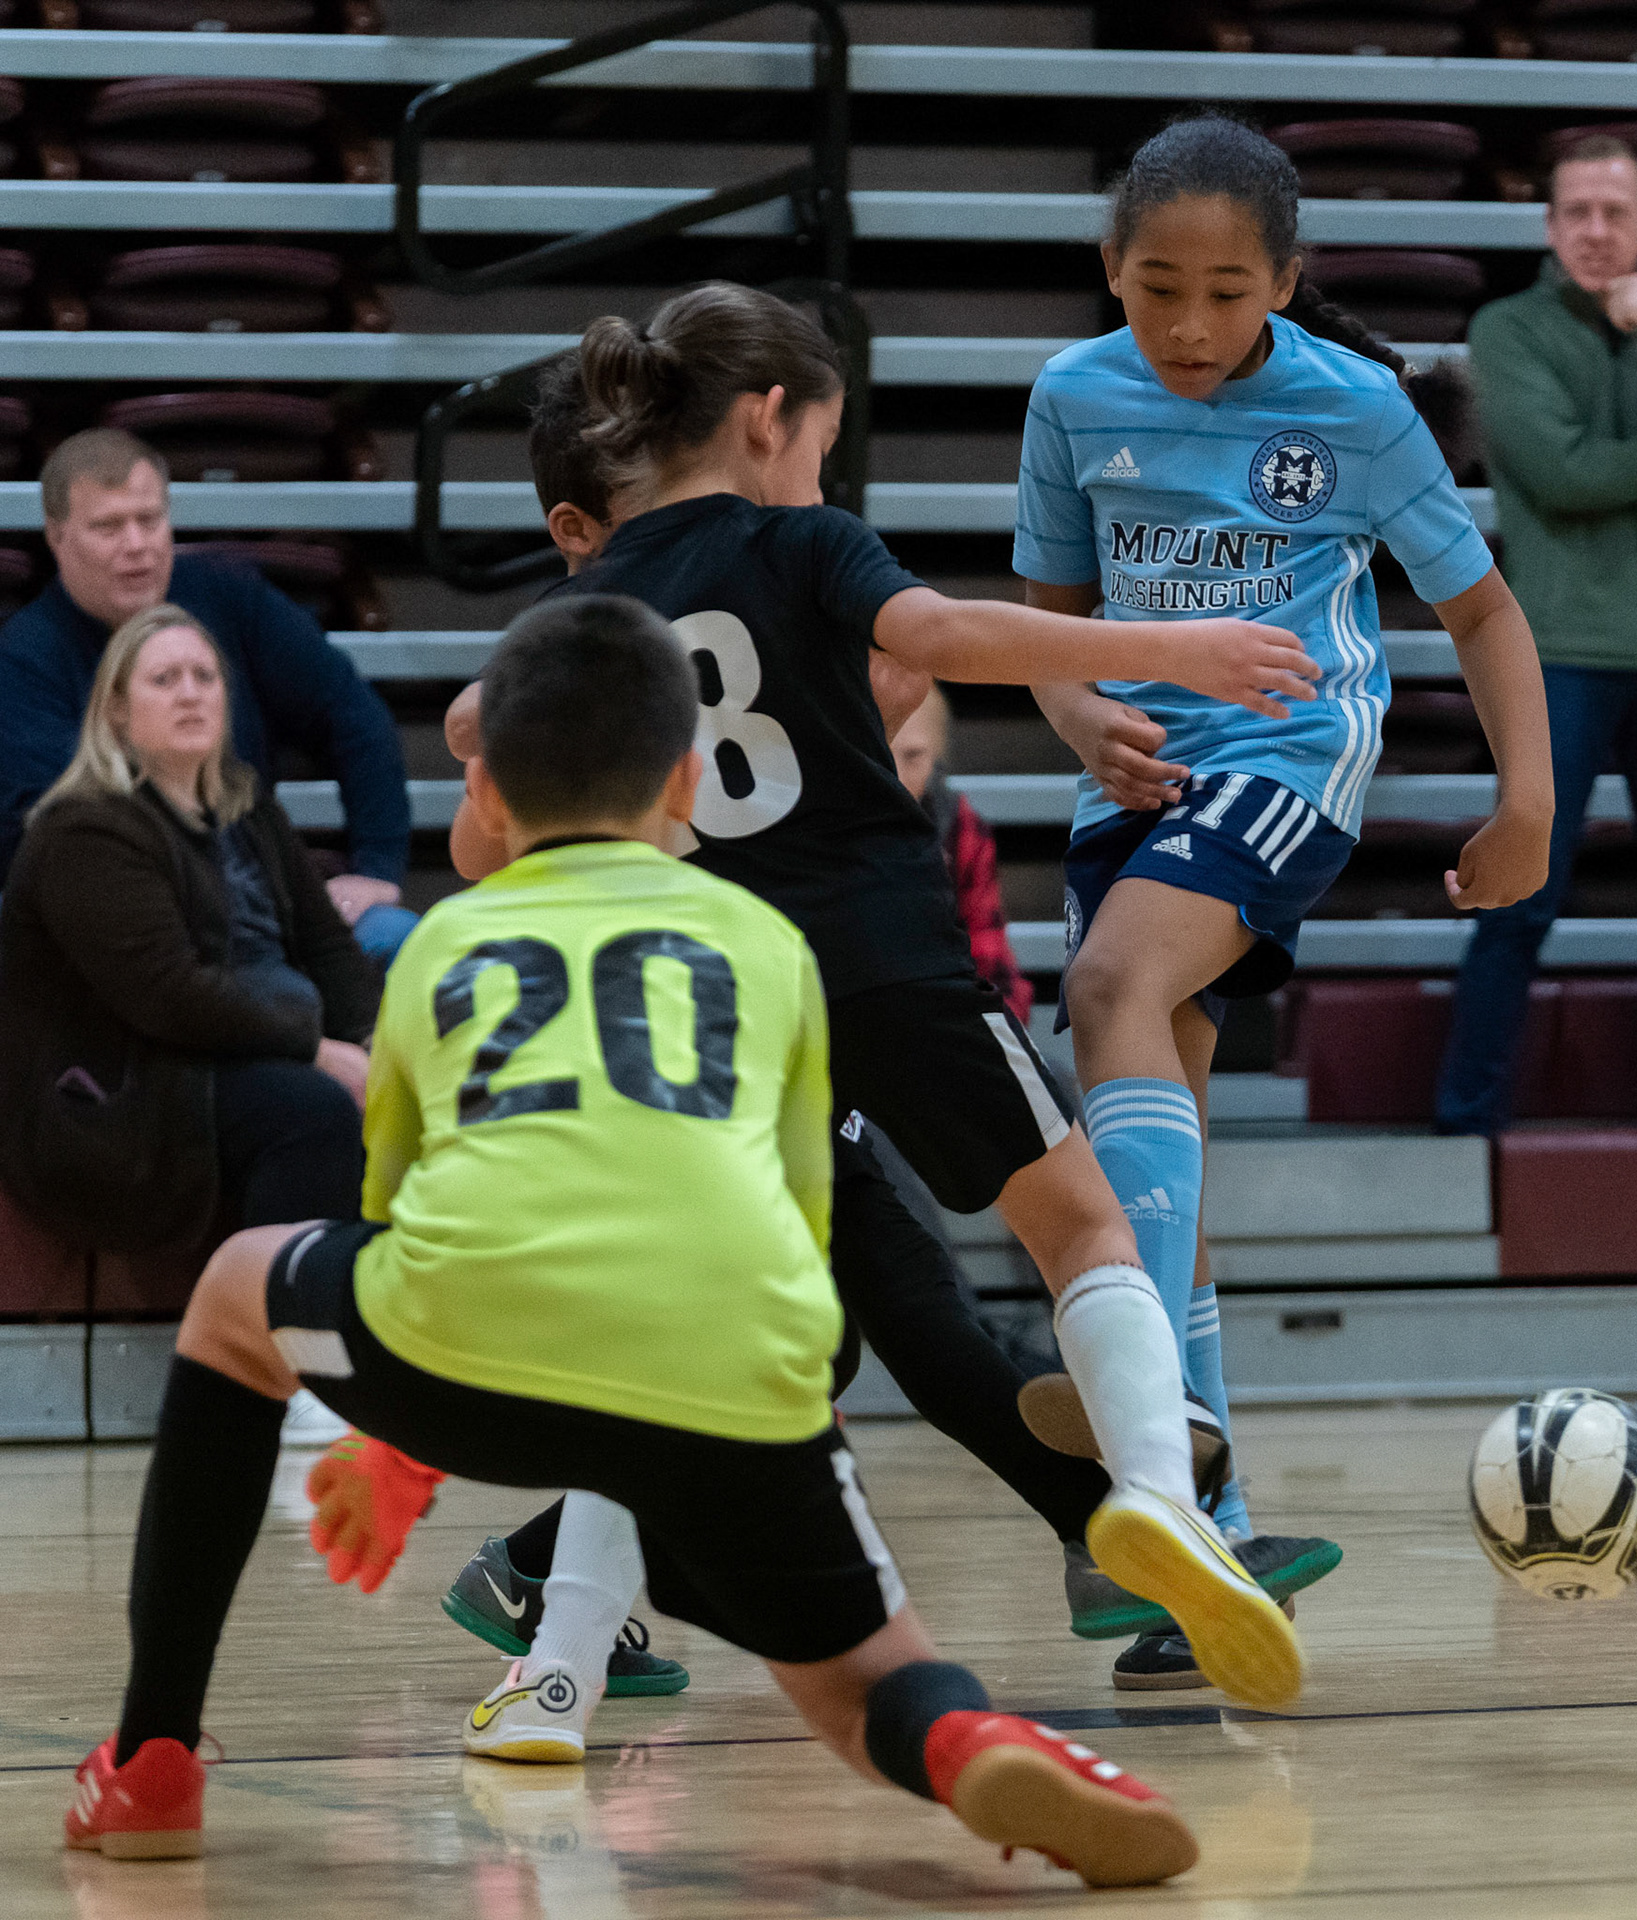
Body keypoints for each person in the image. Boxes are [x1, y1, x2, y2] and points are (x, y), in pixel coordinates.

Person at [63, 597, 1204, 1889]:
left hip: (465, 1355)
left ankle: (152, 1757)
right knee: (853, 1686)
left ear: (481, 790)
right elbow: (795, 1220)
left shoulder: (443, 943)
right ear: (683, 782)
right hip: (733, 1372)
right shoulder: (768, 947)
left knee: (233, 1290)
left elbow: (400, 1217)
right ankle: (956, 1729)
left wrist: (390, 1440)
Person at [433, 315, 1338, 1749]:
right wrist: (1175, 645)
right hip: (880, 959)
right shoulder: (803, 545)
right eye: (822, 446)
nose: (818, 475)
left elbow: (477, 747)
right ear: (767, 419)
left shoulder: (597, 605)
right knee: (1081, 1228)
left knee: (666, 1354)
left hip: (719, 1005)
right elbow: (950, 637)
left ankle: (553, 1676)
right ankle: (1165, 1510)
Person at [1014, 115, 1555, 1684]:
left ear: (1288, 286)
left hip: (1288, 757)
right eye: (1157, 287)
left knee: (1108, 994)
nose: (1187, 326)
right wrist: (1078, 720)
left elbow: (1485, 605)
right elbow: (1049, 619)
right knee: (1156, 1157)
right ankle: (1209, 1541)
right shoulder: (1070, 396)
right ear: (1108, 269)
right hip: (1129, 781)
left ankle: (1153, 1450)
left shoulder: (1357, 409)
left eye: (1228, 293)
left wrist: (1523, 803)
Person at [1434, 134, 1637, 1134]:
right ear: (1548, 224)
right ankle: (1467, 1123)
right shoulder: (1506, 330)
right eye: (1577, 210)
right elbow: (1565, 477)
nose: (1596, 230)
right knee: (1521, 901)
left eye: (1617, 213)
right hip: (1562, 655)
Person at [0, 605, 379, 1260]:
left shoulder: (249, 809)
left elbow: (328, 948)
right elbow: (168, 994)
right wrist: (315, 1051)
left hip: (238, 1055)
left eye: (206, 677)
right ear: (116, 711)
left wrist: (375, 1044)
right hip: (124, 1098)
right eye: (165, 679)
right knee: (310, 1111)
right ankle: (276, 1334)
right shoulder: (84, 829)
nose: (190, 693)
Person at [0, 428, 417, 964]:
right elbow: (81, 830)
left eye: (149, 519)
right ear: (57, 537)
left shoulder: (231, 599)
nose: (136, 544)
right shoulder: (21, 661)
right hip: (101, 924)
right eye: (108, 526)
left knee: (400, 937)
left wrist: (377, 868)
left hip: (250, 898)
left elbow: (352, 715)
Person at [892, 685, 1034, 1025]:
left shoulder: (960, 825)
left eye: (913, 756)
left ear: (937, 756)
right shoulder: (825, 829)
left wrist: (995, 1040)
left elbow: (991, 959)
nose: (895, 776)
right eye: (877, 752)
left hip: (943, 1020)